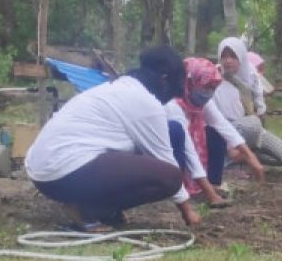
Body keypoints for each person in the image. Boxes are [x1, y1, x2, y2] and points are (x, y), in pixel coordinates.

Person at [26, 46, 199, 230]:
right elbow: (166, 160)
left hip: (43, 171)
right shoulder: (144, 102)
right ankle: (86, 211)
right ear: (164, 79)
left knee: (171, 130)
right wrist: (187, 211)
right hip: (62, 172)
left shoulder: (117, 87)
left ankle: (101, 208)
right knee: (170, 177)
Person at [164, 57, 265, 204]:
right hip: (172, 155)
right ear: (191, 83)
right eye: (206, 87)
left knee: (215, 133)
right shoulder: (172, 105)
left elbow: (223, 126)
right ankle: (181, 187)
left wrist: (251, 158)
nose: (209, 93)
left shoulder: (201, 101)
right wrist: (211, 196)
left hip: (191, 149)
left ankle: (212, 183)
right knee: (183, 142)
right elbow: (188, 150)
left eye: (213, 88)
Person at [211, 36, 282, 176]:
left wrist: (259, 116)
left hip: (253, 130)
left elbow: (260, 106)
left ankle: (247, 157)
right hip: (226, 133)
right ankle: (233, 158)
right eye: (224, 56)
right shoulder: (212, 78)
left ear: (241, 57)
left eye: (233, 56)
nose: (228, 61)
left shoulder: (251, 75)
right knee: (252, 123)